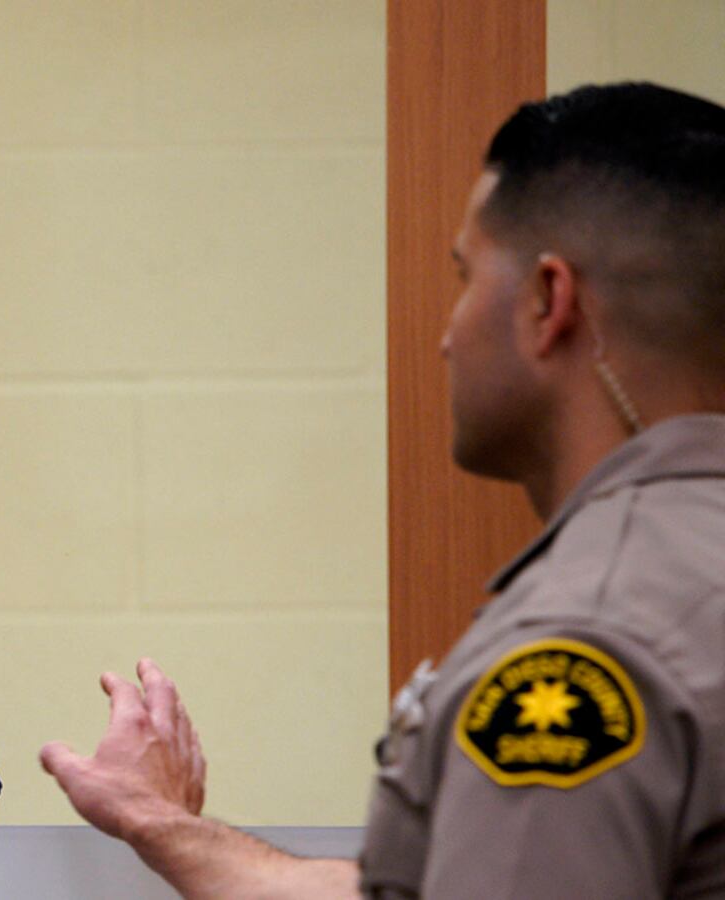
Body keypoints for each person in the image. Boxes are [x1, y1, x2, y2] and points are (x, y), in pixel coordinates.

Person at [41, 82, 725, 897]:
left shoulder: (580, 647)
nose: (446, 336)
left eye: (466, 277)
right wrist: (166, 829)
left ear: (549, 301)